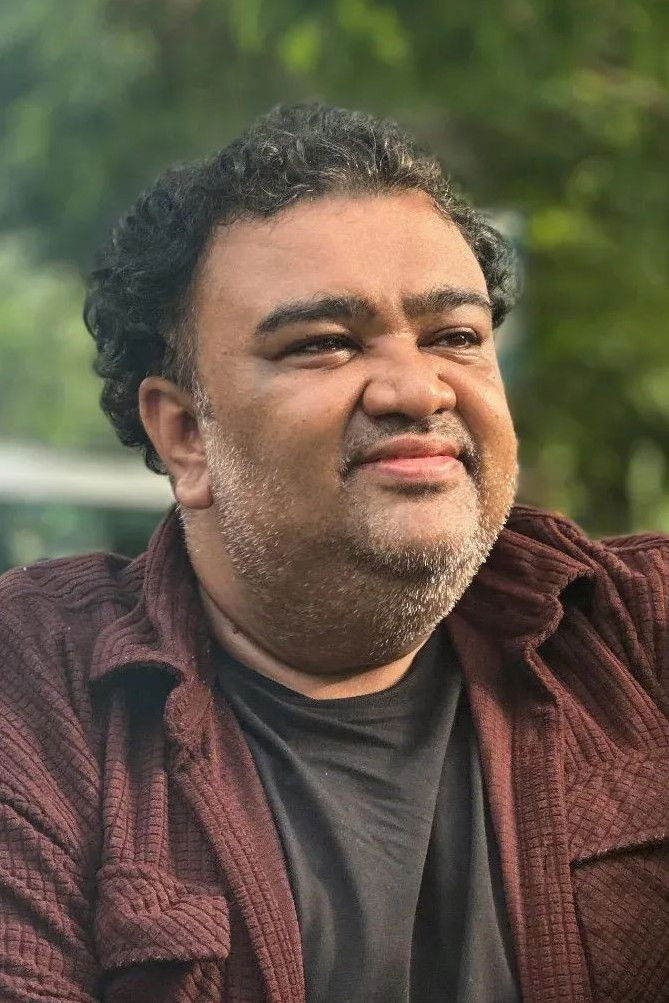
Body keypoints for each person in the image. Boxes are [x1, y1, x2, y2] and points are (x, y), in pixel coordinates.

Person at [0, 104, 667, 1003]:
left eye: (455, 337)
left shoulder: (639, 638)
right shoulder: (34, 696)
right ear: (186, 433)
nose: (416, 388)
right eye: (323, 345)